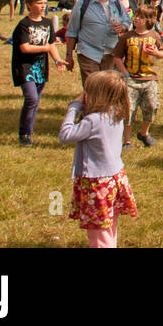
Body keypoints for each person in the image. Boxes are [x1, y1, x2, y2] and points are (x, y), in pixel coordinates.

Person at [58, 71, 137, 248]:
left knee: (98, 235)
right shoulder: (116, 112)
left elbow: (65, 135)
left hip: (97, 184)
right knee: (108, 228)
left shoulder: (93, 121)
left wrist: (74, 107)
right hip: (114, 179)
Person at [12, 0, 69, 146]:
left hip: (40, 68)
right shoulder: (24, 24)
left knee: (35, 102)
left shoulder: (47, 23)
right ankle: (24, 133)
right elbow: (24, 48)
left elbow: (51, 45)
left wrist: (57, 60)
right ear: (29, 5)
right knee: (31, 98)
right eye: (39, 3)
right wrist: (45, 48)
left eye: (44, 3)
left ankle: (28, 132)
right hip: (25, 67)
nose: (43, 6)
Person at [65, 0, 130, 86]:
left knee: (107, 89)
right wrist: (69, 55)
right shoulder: (82, 4)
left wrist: (123, 27)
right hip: (88, 52)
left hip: (110, 53)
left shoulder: (116, 2)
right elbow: (72, 32)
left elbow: (127, 20)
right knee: (93, 89)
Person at [112, 4, 163, 148]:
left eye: (141, 17)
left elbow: (162, 52)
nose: (136, 19)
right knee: (128, 110)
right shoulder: (127, 37)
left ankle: (144, 133)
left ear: (149, 20)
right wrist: (126, 74)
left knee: (152, 106)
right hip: (131, 80)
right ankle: (126, 141)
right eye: (135, 16)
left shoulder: (154, 35)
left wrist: (156, 53)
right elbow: (116, 57)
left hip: (149, 79)